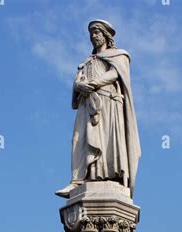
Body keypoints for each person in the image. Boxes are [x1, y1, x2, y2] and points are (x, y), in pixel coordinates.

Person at [56, 20, 141, 198]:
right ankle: (78, 180)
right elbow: (78, 80)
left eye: (97, 32)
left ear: (106, 35)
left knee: (106, 140)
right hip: (87, 104)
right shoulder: (86, 62)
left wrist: (93, 84)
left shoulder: (119, 55)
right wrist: (80, 86)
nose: (94, 36)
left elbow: (116, 73)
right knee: (78, 140)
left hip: (108, 103)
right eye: (92, 33)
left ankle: (109, 175)